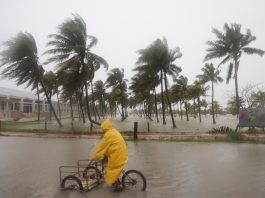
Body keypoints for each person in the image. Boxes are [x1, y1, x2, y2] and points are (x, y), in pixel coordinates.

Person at [90, 119, 128, 191]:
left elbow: (101, 148)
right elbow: (108, 145)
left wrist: (94, 157)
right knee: (113, 168)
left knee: (110, 170)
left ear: (105, 128)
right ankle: (116, 181)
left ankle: (117, 187)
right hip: (123, 154)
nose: (102, 130)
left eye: (102, 129)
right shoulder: (113, 131)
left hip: (117, 156)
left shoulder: (108, 135)